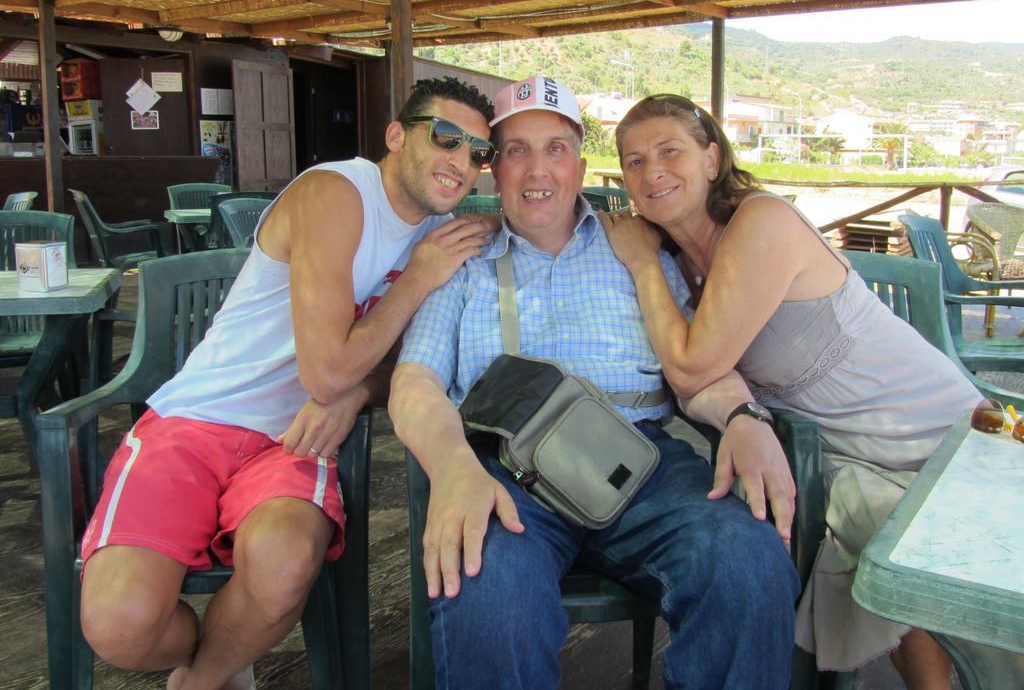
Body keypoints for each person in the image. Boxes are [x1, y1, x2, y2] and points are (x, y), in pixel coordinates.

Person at [78, 76, 499, 690]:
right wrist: (417, 278)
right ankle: (227, 649)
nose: (461, 162)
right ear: (396, 136)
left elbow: (418, 360)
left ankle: (200, 679)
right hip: (197, 419)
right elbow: (324, 372)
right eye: (446, 138)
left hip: (294, 439)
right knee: (120, 625)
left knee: (282, 566)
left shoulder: (440, 237)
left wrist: (357, 394)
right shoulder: (337, 192)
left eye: (479, 152)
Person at [389, 76, 800, 690]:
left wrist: (743, 415)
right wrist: (452, 467)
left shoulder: (636, 249)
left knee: (747, 562)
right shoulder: (461, 258)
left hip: (639, 463)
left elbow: (694, 368)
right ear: (494, 170)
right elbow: (415, 381)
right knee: (486, 586)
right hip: (507, 471)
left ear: (580, 169)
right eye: (517, 150)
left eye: (555, 149)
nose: (538, 169)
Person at [601, 93, 983, 688]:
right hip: (842, 453)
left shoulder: (762, 222)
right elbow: (694, 385)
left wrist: (642, 264)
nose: (652, 172)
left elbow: (693, 367)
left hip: (924, 428)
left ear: (711, 158)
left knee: (957, 576)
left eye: (669, 151)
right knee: (883, 536)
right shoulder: (681, 265)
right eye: (634, 161)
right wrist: (741, 413)